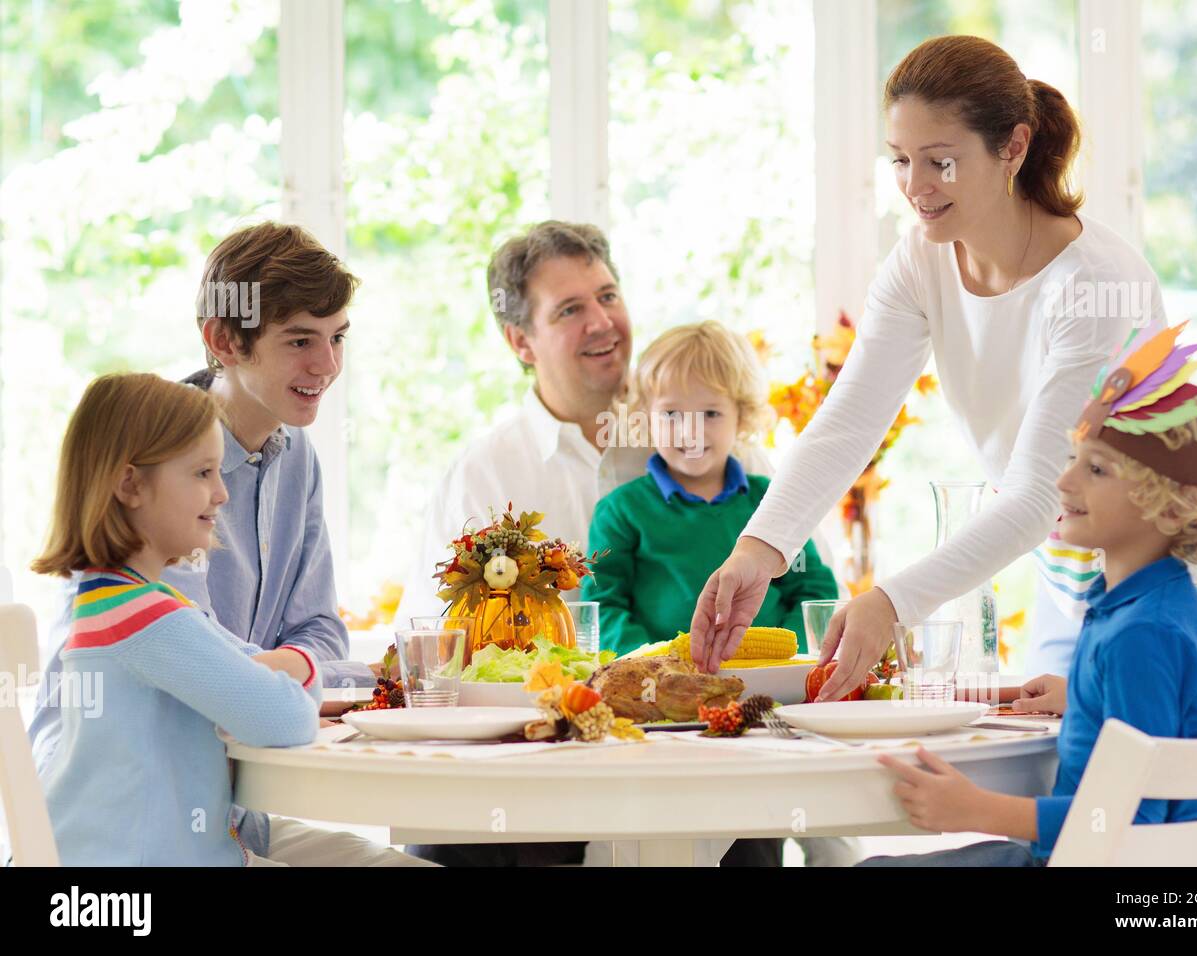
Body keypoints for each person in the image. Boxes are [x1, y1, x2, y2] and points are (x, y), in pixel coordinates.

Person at [690, 34, 1197, 696]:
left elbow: (1038, 493)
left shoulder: (1093, 286)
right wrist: (761, 549)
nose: (916, 187)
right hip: (1067, 568)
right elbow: (851, 420)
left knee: (1129, 790)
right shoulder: (921, 262)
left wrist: (892, 603)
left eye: (941, 162)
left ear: (1012, 147)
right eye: (900, 160)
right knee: (1050, 777)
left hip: (1169, 571)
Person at [398, 222, 848, 866]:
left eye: (608, 296)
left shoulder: (728, 452)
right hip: (534, 780)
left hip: (712, 757)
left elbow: (810, 585)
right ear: (520, 340)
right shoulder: (485, 475)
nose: (602, 321)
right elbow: (442, 654)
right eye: (571, 309)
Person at [28, 222, 392, 864]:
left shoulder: (297, 457)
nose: (327, 365)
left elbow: (316, 630)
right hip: (120, 839)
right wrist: (295, 676)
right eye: (300, 340)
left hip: (221, 815)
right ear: (224, 339)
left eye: (337, 339)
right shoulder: (159, 470)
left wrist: (281, 670)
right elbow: (210, 655)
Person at [860, 330, 1197, 865]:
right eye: (1072, 458)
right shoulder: (1142, 609)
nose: (1063, 480)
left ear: (1173, 509)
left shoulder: (1141, 635)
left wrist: (974, 808)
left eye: (1096, 468)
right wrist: (1088, 696)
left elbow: (1130, 823)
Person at [583, 321, 837, 656]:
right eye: (672, 413)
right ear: (645, 417)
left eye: (711, 413)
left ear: (741, 417)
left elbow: (813, 590)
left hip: (768, 679)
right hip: (662, 684)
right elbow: (603, 605)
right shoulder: (620, 511)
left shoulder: (772, 500)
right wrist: (652, 657)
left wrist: (781, 655)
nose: (690, 431)